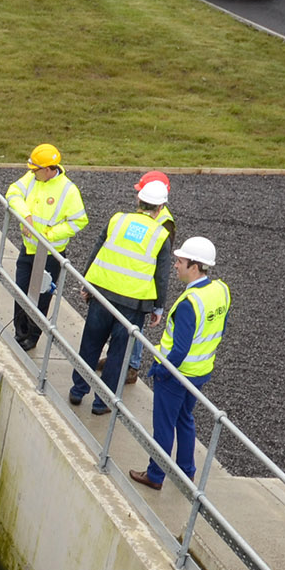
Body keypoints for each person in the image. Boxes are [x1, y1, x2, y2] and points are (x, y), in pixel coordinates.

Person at [131, 236, 229, 492]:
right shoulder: (221, 291)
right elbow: (221, 328)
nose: (175, 265)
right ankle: (187, 473)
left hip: (177, 375)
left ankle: (155, 474)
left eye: (180, 261)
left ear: (194, 267)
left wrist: (161, 370)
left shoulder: (189, 303)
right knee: (185, 419)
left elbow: (180, 349)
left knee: (164, 425)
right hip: (200, 373)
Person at [69, 177, 173, 416]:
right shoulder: (160, 235)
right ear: (159, 209)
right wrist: (158, 308)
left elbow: (97, 250)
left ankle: (77, 390)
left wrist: (87, 283)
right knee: (118, 352)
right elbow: (161, 274)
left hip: (102, 294)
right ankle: (102, 402)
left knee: (91, 342)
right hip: (133, 304)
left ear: (139, 200)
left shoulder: (118, 220)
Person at [6, 143, 87, 350]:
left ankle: (32, 337)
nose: (32, 173)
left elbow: (79, 221)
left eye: (36, 170)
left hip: (50, 253)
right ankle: (20, 332)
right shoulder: (32, 179)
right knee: (21, 290)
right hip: (29, 249)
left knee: (41, 297)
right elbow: (13, 193)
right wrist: (26, 217)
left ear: (50, 169)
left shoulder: (68, 191)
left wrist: (49, 235)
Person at [126, 170, 176, 384]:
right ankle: (119, 359)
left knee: (136, 325)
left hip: (144, 281)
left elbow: (160, 260)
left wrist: (158, 303)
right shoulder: (153, 213)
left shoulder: (165, 223)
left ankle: (132, 366)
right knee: (127, 323)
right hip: (134, 275)